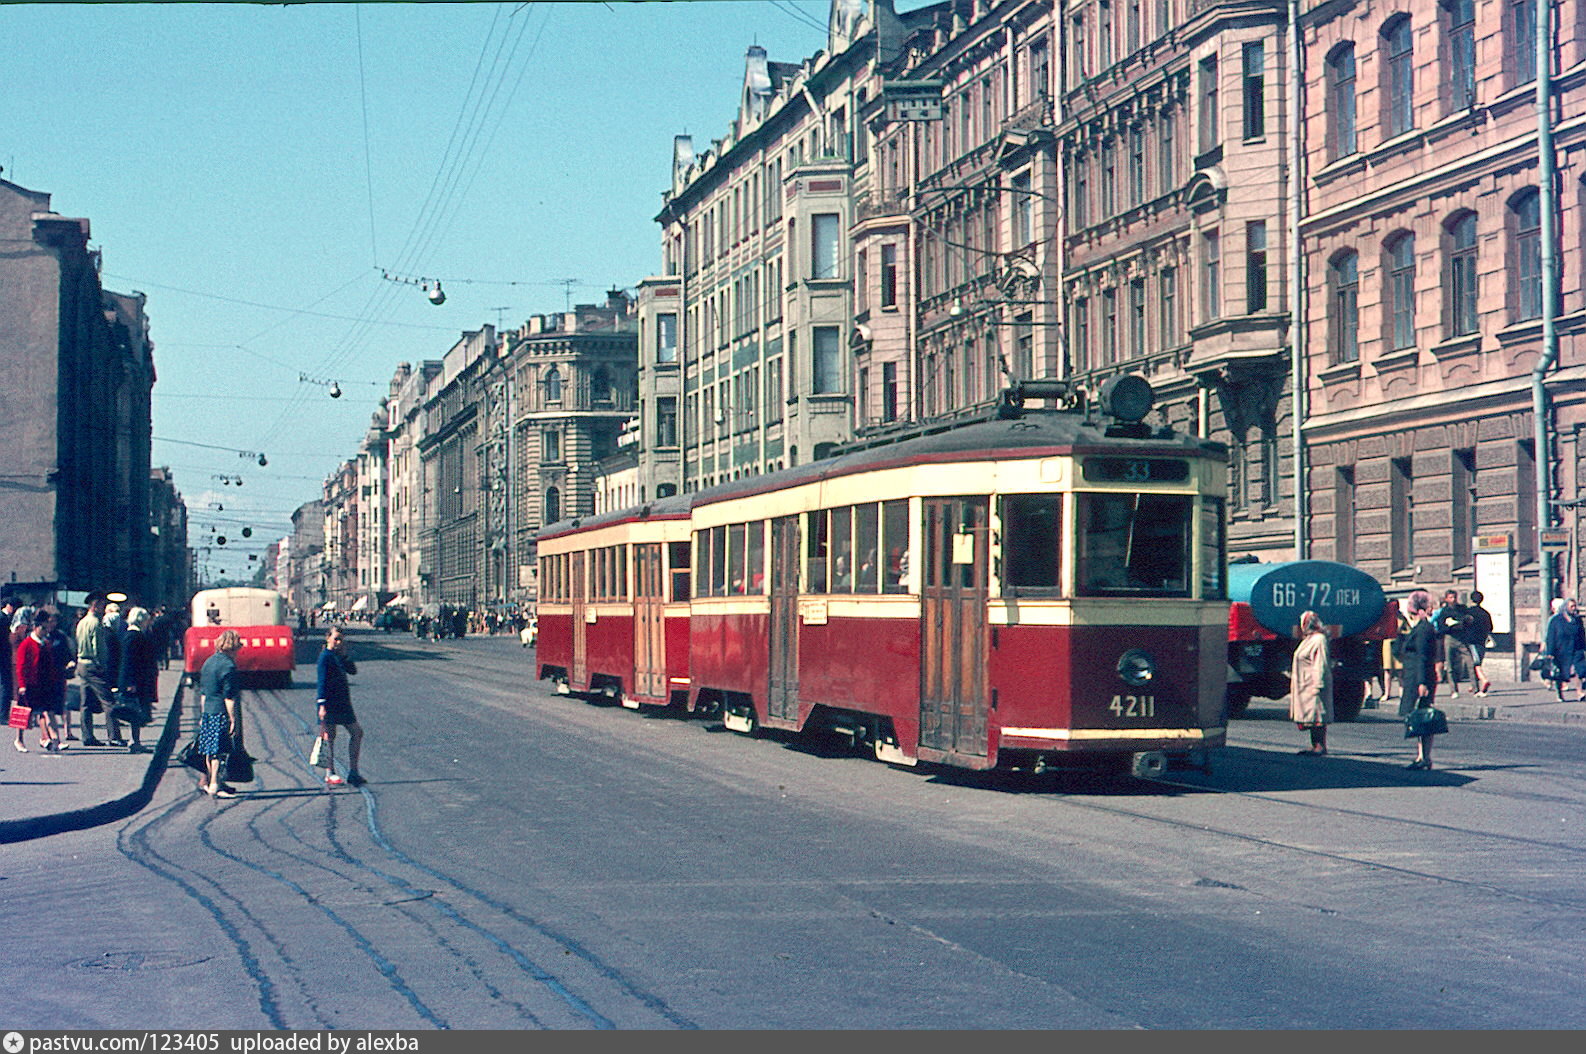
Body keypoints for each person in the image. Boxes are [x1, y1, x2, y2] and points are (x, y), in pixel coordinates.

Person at [315, 626, 365, 787]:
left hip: (343, 702)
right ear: (328, 638)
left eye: (340, 640)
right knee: (330, 737)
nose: (338, 642)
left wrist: (344, 655)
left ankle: (353, 771)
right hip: (329, 702)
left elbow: (353, 671)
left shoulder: (338, 656)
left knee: (357, 733)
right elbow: (321, 681)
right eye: (335, 639)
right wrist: (321, 704)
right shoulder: (325, 657)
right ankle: (330, 773)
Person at [196, 629, 243, 798]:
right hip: (220, 711)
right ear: (233, 647)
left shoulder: (208, 662)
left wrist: (202, 714)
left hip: (208, 710)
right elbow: (229, 697)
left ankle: (213, 782)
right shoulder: (228, 666)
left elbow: (203, 692)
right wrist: (232, 719)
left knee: (209, 749)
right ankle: (215, 784)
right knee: (220, 750)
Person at [1399, 589, 1441, 770]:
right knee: (1419, 718)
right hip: (1415, 677)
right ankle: (1421, 756)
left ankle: (1425, 757)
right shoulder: (1418, 627)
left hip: (1419, 679)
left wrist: (1423, 682)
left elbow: (1423, 656)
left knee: (1423, 717)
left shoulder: (1423, 629)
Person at [14, 610, 68, 752]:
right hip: (30, 684)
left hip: (44, 684)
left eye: (46, 628)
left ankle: (55, 739)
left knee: (48, 711)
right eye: (42, 628)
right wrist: (22, 685)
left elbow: (50, 665)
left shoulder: (46, 643)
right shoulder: (27, 644)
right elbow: (20, 666)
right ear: (35, 627)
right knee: (25, 713)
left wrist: (54, 680)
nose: (45, 631)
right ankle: (19, 739)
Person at [115, 607, 158, 754]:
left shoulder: (134, 635)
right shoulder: (133, 636)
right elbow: (129, 661)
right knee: (134, 711)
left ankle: (135, 740)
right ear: (141, 620)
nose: (148, 622)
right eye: (146, 620)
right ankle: (134, 741)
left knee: (135, 711)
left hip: (137, 680)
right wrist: (130, 682)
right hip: (135, 681)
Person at [1289, 610, 1333, 755]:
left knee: (1317, 715)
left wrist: (1318, 685)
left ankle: (1320, 746)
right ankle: (1314, 745)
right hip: (1304, 685)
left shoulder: (1319, 640)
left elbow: (1321, 663)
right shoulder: (1308, 639)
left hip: (1313, 684)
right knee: (1310, 716)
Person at [74, 593, 114, 746]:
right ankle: (113, 736)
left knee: (86, 704)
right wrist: (103, 665)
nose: (104, 608)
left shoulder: (82, 622)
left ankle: (87, 736)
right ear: (95, 605)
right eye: (102, 605)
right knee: (108, 701)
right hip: (93, 665)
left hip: (81, 663)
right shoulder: (96, 623)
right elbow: (99, 648)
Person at [1431, 589, 1473, 697]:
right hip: (1449, 637)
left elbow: (1468, 620)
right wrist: (1450, 626)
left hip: (1461, 638)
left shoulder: (1462, 609)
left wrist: (1463, 622)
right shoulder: (1444, 611)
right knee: (1450, 665)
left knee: (1470, 662)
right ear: (1446, 599)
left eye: (1454, 597)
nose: (1453, 599)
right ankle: (1453, 690)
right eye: (1450, 597)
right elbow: (1440, 626)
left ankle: (1476, 688)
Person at [1544, 597, 1586, 703]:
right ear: (1566, 607)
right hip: (1561, 650)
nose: (1574, 608)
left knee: (1578, 670)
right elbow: (1551, 637)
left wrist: (1584, 647)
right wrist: (1550, 652)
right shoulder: (1556, 620)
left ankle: (1580, 692)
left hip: (1576, 649)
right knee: (1560, 673)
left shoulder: (1577, 620)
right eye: (1572, 606)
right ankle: (1560, 693)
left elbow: (1582, 634)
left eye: (1575, 606)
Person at [1460, 590, 1495, 698]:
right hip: (1482, 641)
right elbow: (1491, 628)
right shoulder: (1485, 613)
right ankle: (1473, 685)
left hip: (1471, 641)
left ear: (1471, 599)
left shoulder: (1469, 612)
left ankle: (1484, 680)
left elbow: (1463, 625)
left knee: (1475, 664)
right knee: (1478, 661)